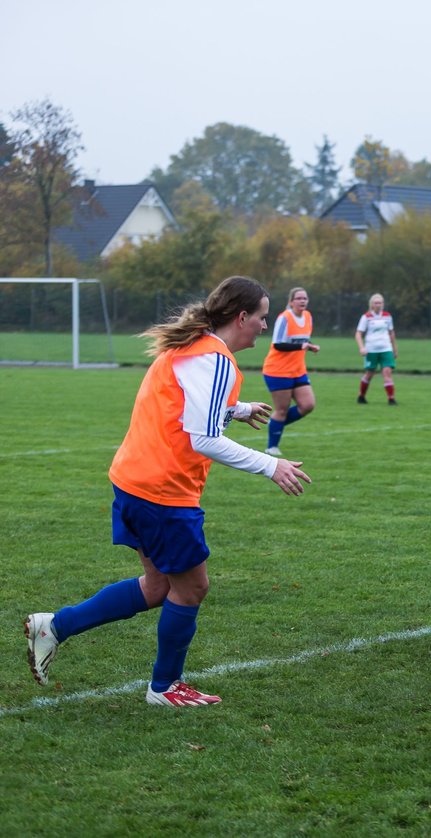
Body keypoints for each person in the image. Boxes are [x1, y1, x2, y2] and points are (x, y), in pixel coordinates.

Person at [24, 276, 313, 708]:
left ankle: (54, 627)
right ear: (241, 318)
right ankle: (165, 687)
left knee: (158, 585)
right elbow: (203, 438)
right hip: (162, 491)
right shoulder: (215, 360)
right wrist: (271, 465)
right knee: (192, 588)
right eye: (261, 316)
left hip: (132, 480)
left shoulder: (191, 345)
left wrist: (238, 408)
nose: (264, 325)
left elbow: (183, 398)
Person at [261, 286, 320, 456]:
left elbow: (302, 340)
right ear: (291, 301)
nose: (302, 301)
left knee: (308, 404)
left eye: (305, 298)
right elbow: (278, 343)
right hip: (278, 370)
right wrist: (302, 346)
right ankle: (272, 447)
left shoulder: (308, 317)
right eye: (299, 298)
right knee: (282, 409)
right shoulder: (284, 318)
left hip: (298, 370)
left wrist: (310, 346)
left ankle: (275, 425)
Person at [355, 293, 398, 405]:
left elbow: (391, 333)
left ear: (383, 304)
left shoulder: (387, 316)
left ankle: (391, 399)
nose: (378, 305)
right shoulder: (366, 317)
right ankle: (361, 396)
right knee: (370, 373)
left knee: (387, 373)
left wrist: (394, 349)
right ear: (371, 304)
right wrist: (361, 347)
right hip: (372, 350)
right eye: (376, 303)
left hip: (386, 349)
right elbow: (358, 334)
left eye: (380, 303)